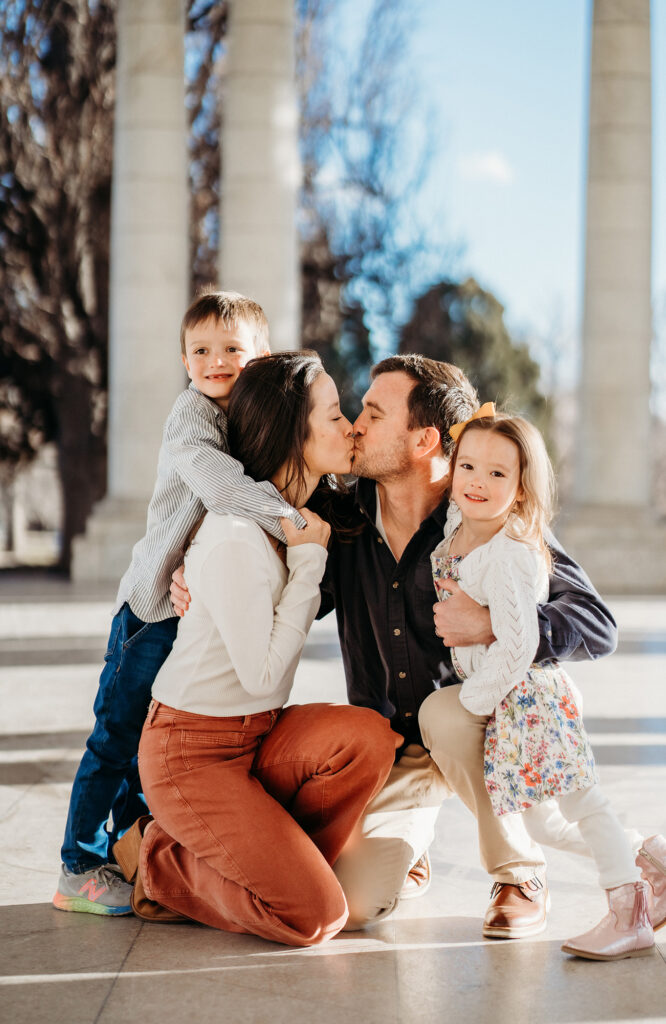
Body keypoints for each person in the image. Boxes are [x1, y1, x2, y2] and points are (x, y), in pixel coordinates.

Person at [172, 354, 621, 939]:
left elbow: (595, 621)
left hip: (478, 726)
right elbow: (278, 581)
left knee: (448, 715)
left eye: (373, 414)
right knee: (355, 905)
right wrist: (201, 576)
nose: (355, 425)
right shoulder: (341, 517)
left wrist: (492, 623)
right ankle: (412, 847)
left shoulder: (485, 512)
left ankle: (519, 875)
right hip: (391, 744)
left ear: (423, 439)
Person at [111, 352, 400, 947]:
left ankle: (274, 859)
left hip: (256, 736)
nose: (349, 427)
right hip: (189, 752)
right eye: (335, 415)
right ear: (292, 435)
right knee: (316, 917)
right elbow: (264, 674)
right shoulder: (237, 536)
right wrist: (307, 562)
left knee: (369, 738)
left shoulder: (305, 517)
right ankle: (159, 855)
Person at [54, 290, 307, 916]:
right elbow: (220, 488)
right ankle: (78, 864)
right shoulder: (193, 415)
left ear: (262, 356)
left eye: (232, 350)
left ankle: (130, 852)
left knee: (148, 744)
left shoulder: (242, 421)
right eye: (200, 351)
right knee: (116, 737)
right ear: (184, 360)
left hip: (181, 613)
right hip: (148, 612)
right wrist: (291, 521)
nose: (215, 361)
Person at [425, 407, 665, 961]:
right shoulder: (458, 526)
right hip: (509, 701)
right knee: (545, 823)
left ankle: (629, 914)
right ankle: (649, 857)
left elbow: (518, 646)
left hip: (530, 698)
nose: (478, 482)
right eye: (468, 467)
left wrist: (474, 702)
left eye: (498, 474)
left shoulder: (509, 554)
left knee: (584, 803)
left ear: (524, 487)